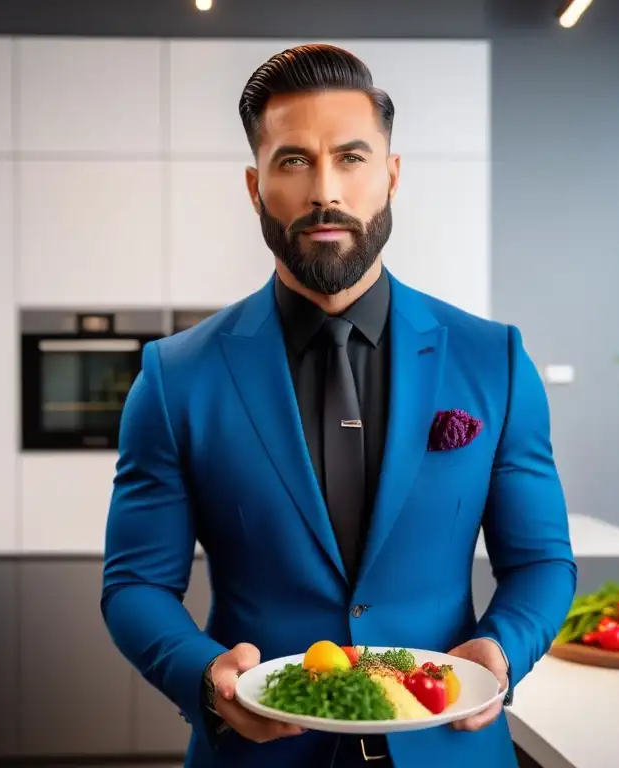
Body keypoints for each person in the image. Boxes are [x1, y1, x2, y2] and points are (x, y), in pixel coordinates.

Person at [101, 43, 576, 768]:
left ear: (390, 176)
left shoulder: (495, 361)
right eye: (294, 161)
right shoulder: (175, 378)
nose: (326, 190)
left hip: (447, 746)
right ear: (255, 186)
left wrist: (502, 650)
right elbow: (136, 585)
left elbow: (542, 561)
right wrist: (207, 677)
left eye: (351, 159)